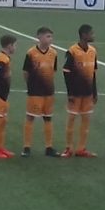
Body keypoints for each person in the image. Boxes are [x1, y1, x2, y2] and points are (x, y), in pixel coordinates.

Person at [62, 24, 98, 158]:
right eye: (91, 33)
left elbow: (93, 73)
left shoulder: (93, 51)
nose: (93, 36)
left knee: (86, 120)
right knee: (71, 119)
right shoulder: (72, 51)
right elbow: (66, 73)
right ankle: (68, 148)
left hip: (88, 93)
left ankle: (81, 148)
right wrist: (70, 93)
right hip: (75, 93)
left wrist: (94, 92)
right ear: (84, 35)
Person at [23, 26, 59, 158]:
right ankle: (26, 147)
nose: (50, 39)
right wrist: (31, 86)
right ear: (39, 37)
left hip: (49, 91)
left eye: (51, 37)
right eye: (47, 36)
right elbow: (25, 72)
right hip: (35, 91)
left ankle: (49, 147)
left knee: (48, 118)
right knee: (30, 117)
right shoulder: (31, 53)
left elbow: (53, 70)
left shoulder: (54, 53)